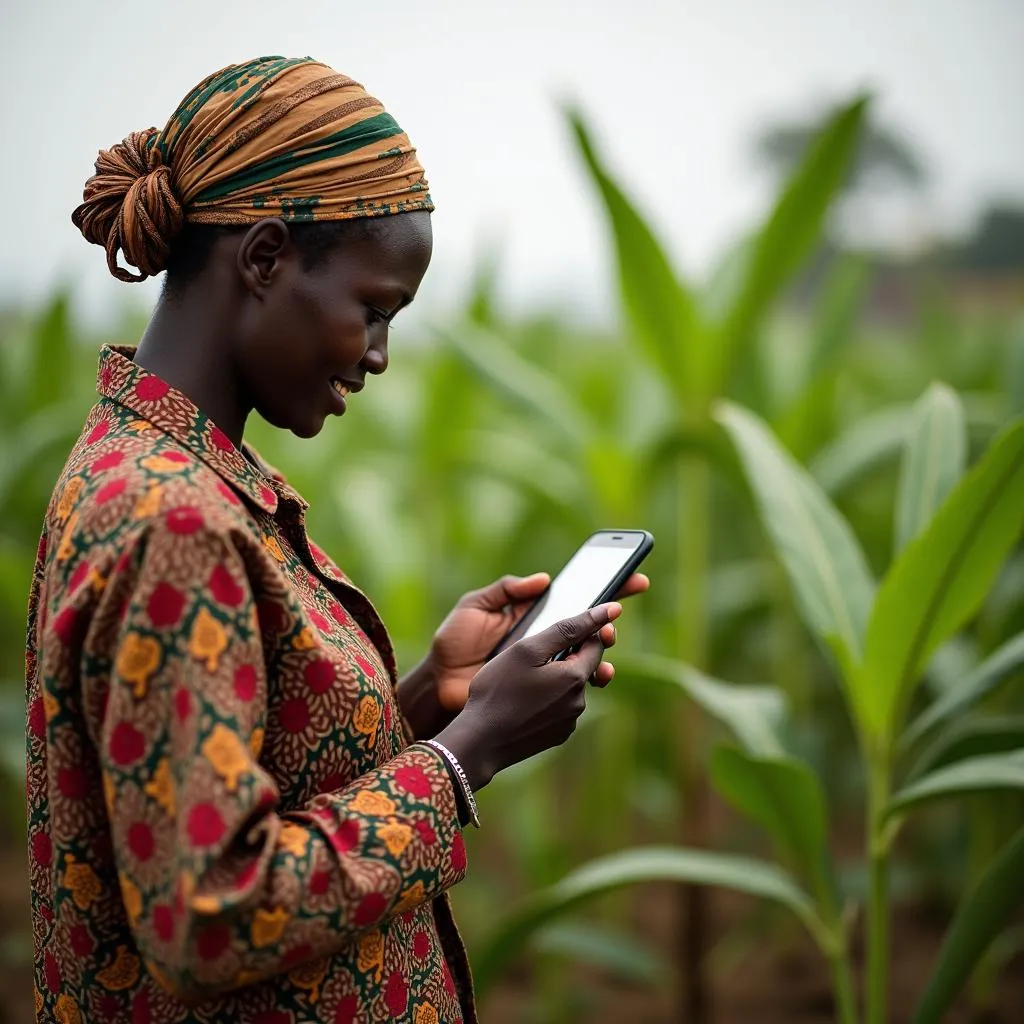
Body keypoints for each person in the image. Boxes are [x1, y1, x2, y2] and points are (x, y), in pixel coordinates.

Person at [25, 55, 649, 1023]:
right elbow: (209, 913)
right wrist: (467, 753)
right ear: (266, 257)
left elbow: (228, 780)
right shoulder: (174, 521)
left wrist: (429, 703)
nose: (379, 354)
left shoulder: (157, 468)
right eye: (373, 308)